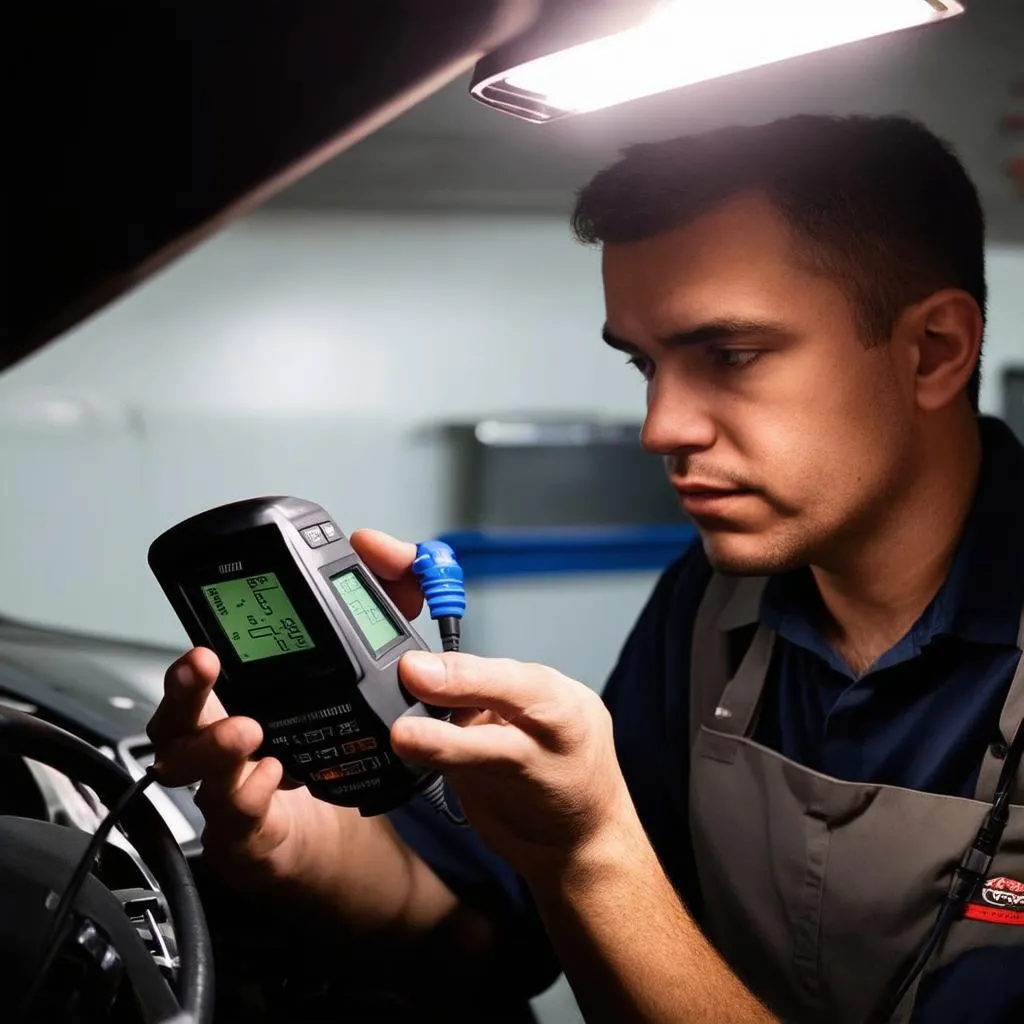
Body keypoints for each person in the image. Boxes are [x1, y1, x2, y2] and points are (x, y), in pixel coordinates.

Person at [147, 114, 1024, 1023]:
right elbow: (501, 918)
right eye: (646, 363)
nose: (661, 428)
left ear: (934, 351)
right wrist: (295, 844)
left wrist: (594, 852)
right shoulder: (715, 602)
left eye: (731, 355)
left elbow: (585, 873)